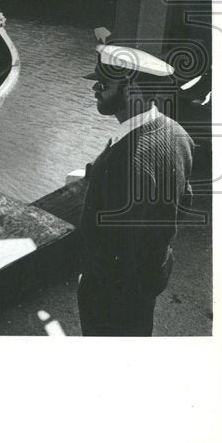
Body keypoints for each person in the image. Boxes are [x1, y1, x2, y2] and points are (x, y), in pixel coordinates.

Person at [78, 42, 195, 336]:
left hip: (112, 299)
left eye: (103, 83)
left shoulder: (124, 161)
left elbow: (116, 248)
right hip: (149, 280)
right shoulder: (179, 135)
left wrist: (92, 283)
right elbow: (185, 201)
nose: (95, 89)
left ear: (132, 89)